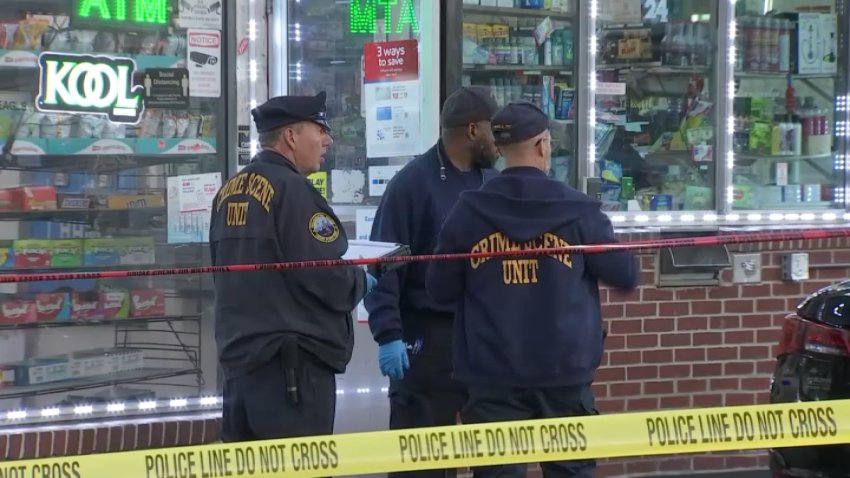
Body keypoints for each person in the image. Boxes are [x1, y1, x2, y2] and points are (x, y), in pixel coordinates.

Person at [425, 102, 639, 478]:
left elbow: (439, 290)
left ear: (500, 148)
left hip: (491, 377)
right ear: (543, 145)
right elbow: (624, 274)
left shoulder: (468, 211)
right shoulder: (580, 211)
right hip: (565, 376)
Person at [209, 91, 376, 442]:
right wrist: (362, 279)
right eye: (319, 129)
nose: (327, 140)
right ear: (290, 136)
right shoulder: (294, 190)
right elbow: (326, 274)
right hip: (291, 372)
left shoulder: (228, 191)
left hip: (240, 367)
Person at [365, 86, 500, 477]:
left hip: (482, 337)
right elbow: (384, 262)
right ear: (472, 130)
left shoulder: (491, 182)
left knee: (492, 457)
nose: (500, 141)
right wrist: (388, 333)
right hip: (426, 338)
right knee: (421, 459)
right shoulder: (413, 184)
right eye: (494, 130)